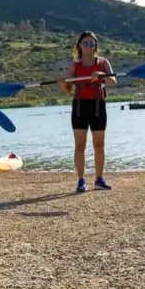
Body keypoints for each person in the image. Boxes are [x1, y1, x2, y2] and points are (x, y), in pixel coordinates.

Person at [58, 30, 116, 193]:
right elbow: (68, 90)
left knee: (99, 144)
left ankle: (99, 179)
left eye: (92, 43)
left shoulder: (103, 63)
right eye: (85, 43)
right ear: (80, 46)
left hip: (98, 107)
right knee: (80, 145)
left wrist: (102, 75)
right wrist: (63, 82)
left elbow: (113, 82)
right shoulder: (75, 66)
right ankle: (81, 180)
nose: (89, 46)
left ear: (95, 46)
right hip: (80, 107)